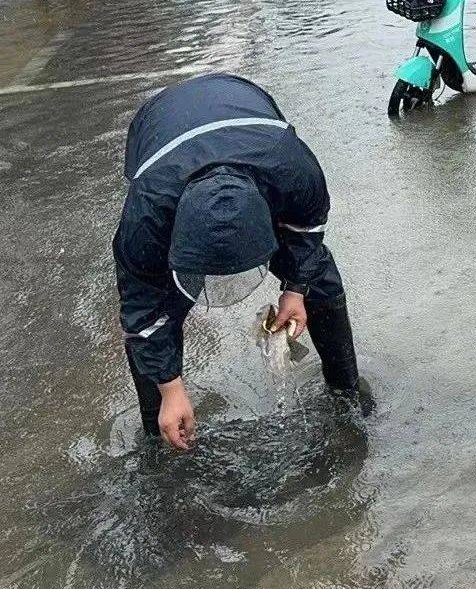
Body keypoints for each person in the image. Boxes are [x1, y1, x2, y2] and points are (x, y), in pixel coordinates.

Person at [114, 73, 368, 451]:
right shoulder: (146, 216)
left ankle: (346, 388)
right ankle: (160, 430)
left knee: (319, 276)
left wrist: (296, 290)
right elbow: (142, 309)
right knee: (159, 308)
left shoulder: (294, 170)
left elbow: (308, 231)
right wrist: (170, 387)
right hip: (158, 123)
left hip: (246, 106)